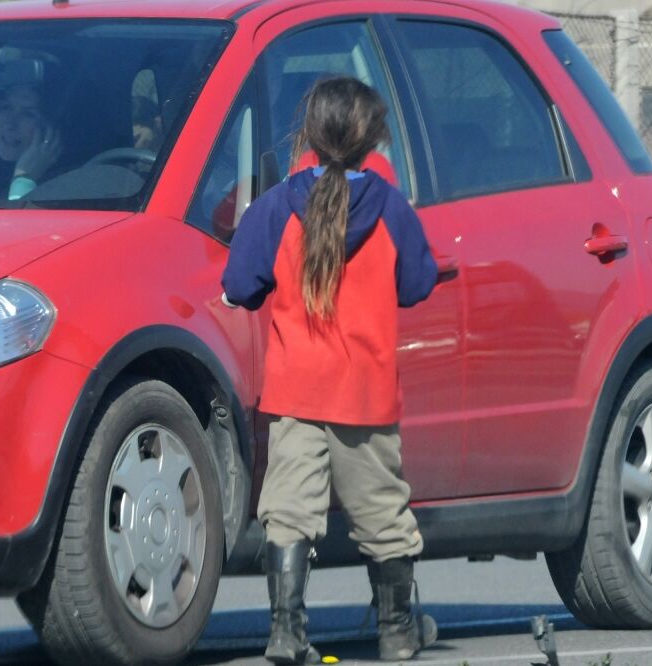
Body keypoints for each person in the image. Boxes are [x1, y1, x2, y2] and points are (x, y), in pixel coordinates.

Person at [221, 77, 439, 664]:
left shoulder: (277, 206)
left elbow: (240, 284)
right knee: (383, 513)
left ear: (310, 135)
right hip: (364, 391)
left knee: (288, 511)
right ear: (373, 140)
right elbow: (418, 283)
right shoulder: (389, 208)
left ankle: (287, 632)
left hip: (295, 389)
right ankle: (397, 632)